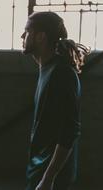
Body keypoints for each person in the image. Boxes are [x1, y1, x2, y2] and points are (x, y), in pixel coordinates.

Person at [21, 12, 90, 190]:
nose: (22, 35)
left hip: (51, 176)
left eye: (27, 31)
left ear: (41, 37)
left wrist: (48, 178)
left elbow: (70, 130)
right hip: (38, 167)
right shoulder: (48, 69)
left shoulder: (62, 73)